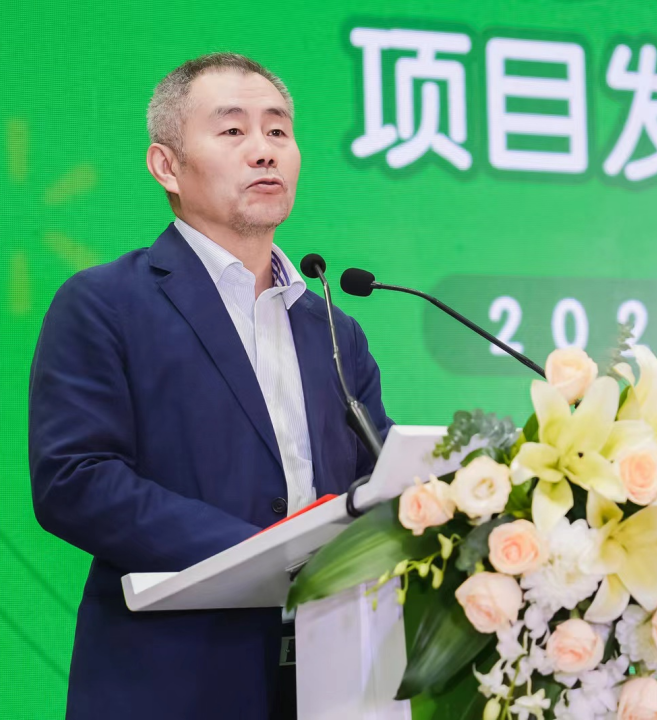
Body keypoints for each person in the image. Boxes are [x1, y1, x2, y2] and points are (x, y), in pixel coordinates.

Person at [28, 52, 391, 719]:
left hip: (333, 675)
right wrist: (265, 555)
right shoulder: (106, 303)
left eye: (277, 131)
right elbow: (75, 481)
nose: (264, 150)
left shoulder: (334, 328)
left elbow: (377, 479)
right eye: (232, 130)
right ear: (166, 166)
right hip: (174, 679)